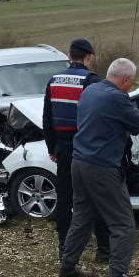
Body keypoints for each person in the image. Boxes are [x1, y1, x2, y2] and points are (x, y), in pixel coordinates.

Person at [59, 58, 139, 277]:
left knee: (82, 217)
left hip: (79, 163)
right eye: (131, 82)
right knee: (123, 224)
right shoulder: (117, 98)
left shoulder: (89, 90)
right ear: (126, 80)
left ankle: (67, 267)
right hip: (103, 167)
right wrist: (130, 104)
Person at [42, 38, 111, 262]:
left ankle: (65, 249)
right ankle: (103, 249)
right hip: (86, 148)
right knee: (97, 197)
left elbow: (47, 118)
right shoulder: (91, 81)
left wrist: (52, 147)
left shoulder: (54, 80)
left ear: (69, 55)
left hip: (62, 149)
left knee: (65, 201)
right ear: (88, 57)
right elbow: (98, 117)